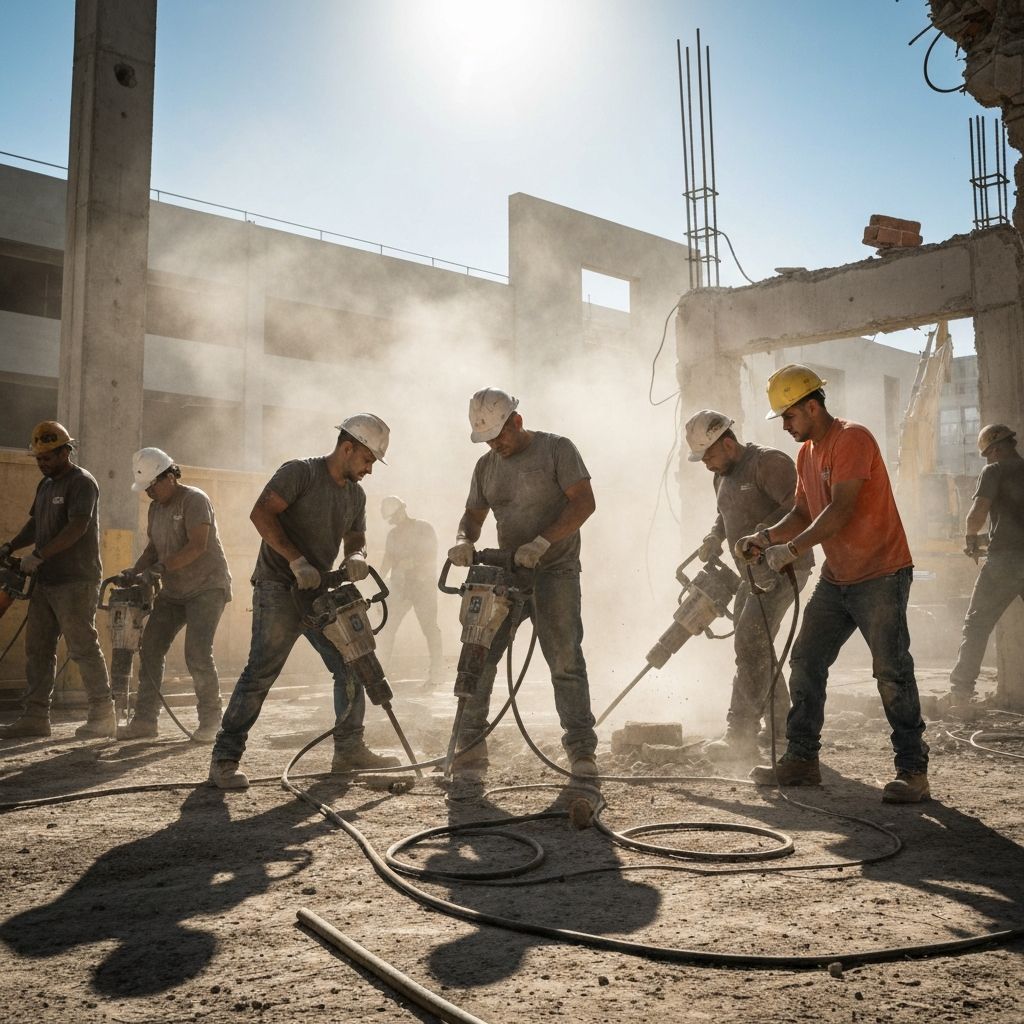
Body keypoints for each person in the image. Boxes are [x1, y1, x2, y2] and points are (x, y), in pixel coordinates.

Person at [736, 364, 930, 803]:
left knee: (891, 672)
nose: (784, 426)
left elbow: (841, 510)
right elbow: (804, 513)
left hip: (881, 573)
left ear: (811, 405)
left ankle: (913, 770)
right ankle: (802, 760)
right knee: (805, 660)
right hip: (837, 577)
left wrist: (794, 549)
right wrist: (766, 537)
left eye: (788, 416)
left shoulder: (852, 439)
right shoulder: (806, 455)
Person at [208, 415, 400, 789]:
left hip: (317, 594)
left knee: (350, 664)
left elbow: (356, 536)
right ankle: (225, 759)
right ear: (347, 448)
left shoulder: (355, 495)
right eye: (367, 460)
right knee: (261, 671)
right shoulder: (300, 474)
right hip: (278, 588)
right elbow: (260, 513)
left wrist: (356, 556)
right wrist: (296, 560)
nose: (369, 470)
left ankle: (348, 749)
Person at [447, 387, 599, 777]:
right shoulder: (486, 467)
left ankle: (582, 751)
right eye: (487, 439)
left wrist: (543, 542)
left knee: (564, 660)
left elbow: (584, 502)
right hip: (507, 576)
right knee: (479, 657)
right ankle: (470, 747)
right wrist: (464, 540)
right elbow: (473, 516)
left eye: (500, 435)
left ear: (517, 420)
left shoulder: (557, 450)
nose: (495, 444)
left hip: (556, 573)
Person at [684, 409, 813, 762]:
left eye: (709, 454)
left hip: (785, 566)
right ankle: (785, 728)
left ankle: (740, 731)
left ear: (728, 443)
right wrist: (714, 536)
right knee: (755, 645)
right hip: (751, 573)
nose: (706, 464)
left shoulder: (768, 463)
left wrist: (763, 536)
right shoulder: (720, 475)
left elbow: (800, 508)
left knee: (750, 640)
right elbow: (724, 514)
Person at [0, 421, 115, 739]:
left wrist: (39, 555)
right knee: (38, 648)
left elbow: (77, 527)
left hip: (76, 580)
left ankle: (103, 715)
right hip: (46, 580)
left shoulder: (82, 483)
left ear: (66, 451)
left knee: (82, 647)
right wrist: (12, 546)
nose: (42, 463)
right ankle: (36, 716)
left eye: (48, 457)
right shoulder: (45, 486)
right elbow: (35, 525)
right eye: (38, 458)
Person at [116, 448, 232, 743]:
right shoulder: (156, 509)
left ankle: (210, 722)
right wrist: (137, 569)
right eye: (146, 489)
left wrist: (158, 569)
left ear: (169, 476)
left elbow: (198, 546)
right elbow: (153, 549)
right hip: (174, 590)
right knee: (151, 647)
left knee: (197, 652)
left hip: (207, 587)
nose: (149, 493)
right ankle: (145, 721)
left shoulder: (195, 500)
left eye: (152, 485)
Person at [945, 423, 1024, 715]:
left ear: (996, 448)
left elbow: (978, 512)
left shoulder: (995, 471)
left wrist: (970, 537)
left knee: (976, 626)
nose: (988, 460)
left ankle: (961, 694)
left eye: (988, 454)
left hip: (1003, 562)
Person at [376, 495, 443, 688]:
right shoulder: (393, 535)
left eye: (395, 515)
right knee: (388, 629)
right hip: (400, 589)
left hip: (423, 588)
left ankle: (437, 674)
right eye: (391, 519)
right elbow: (388, 559)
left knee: (430, 628)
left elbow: (432, 554)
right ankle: (381, 674)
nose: (394, 520)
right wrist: (379, 580)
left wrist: (414, 563)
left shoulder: (424, 528)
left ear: (402, 510)